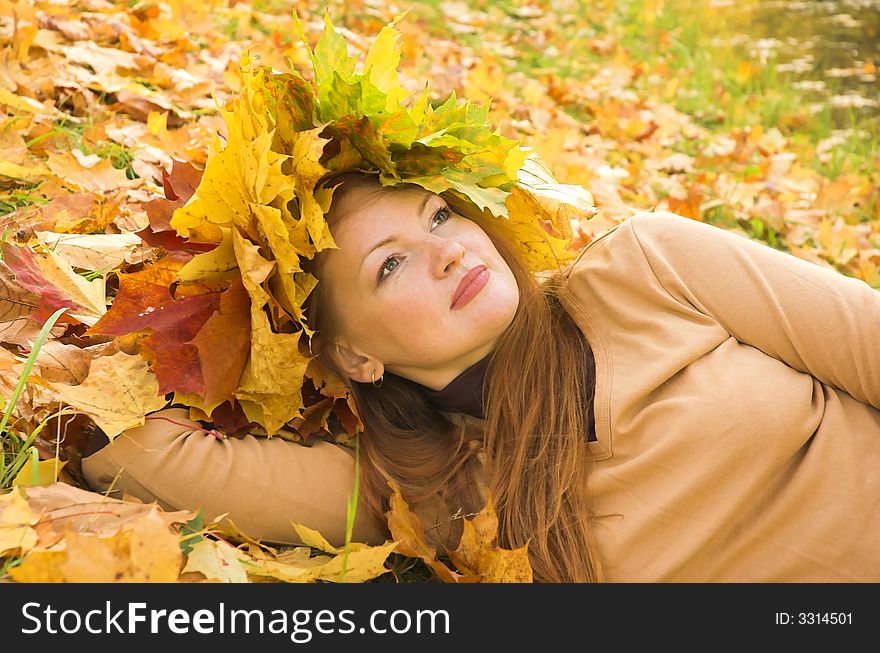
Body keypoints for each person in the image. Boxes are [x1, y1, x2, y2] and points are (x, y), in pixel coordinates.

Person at [82, 172, 880, 583]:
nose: (449, 249)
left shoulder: (649, 266)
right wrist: (158, 327)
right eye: (391, 264)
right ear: (355, 357)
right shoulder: (427, 488)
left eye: (439, 215)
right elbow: (131, 450)